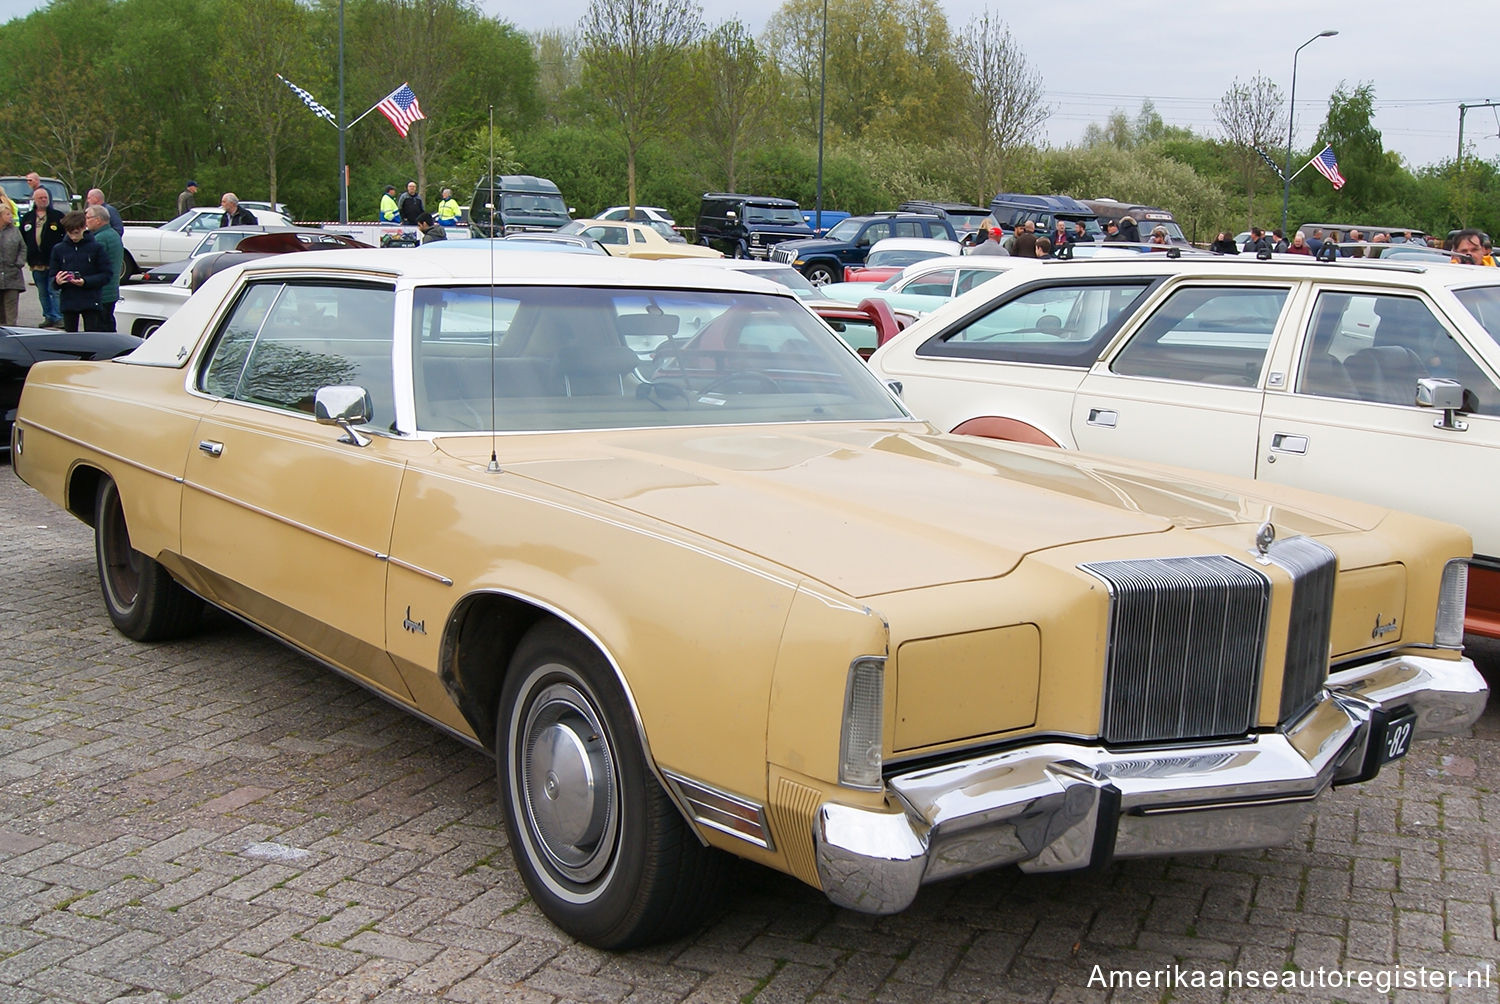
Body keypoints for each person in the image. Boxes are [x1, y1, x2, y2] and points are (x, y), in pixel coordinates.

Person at [48, 210, 109, 332]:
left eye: (77, 232)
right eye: (70, 233)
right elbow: (52, 276)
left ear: (83, 227)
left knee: (92, 337)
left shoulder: (96, 248)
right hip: (69, 301)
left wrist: (85, 281)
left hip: (90, 300)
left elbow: (106, 274)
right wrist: (57, 281)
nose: (74, 237)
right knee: (71, 339)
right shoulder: (59, 249)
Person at [20, 186, 65, 328]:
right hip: (36, 262)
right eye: (40, 198)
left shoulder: (57, 216)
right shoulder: (28, 218)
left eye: (45, 197)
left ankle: (59, 317)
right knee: (42, 292)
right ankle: (48, 316)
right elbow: (22, 238)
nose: (44, 200)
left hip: (53, 262)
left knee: (55, 291)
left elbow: (65, 237)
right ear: (34, 200)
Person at [83, 205, 123, 330]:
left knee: (99, 329)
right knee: (108, 324)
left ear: (98, 220)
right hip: (111, 291)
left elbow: (89, 264)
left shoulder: (100, 238)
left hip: (101, 293)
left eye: (88, 218)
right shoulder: (113, 234)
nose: (86, 221)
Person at [0, 202, 26, 325]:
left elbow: (23, 248)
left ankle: (12, 335)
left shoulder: (15, 231)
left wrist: (19, 263)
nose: (11, 216)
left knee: (11, 313)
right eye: (7, 214)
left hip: (12, 276)